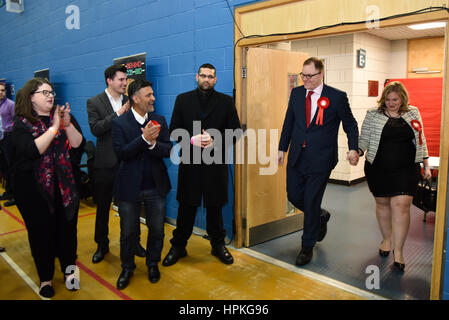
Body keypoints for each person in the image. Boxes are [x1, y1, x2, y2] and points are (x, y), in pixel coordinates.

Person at [278, 57, 359, 267]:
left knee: (312, 199)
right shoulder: (296, 94)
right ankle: (320, 216)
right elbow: (289, 122)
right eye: (303, 75)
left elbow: (350, 124)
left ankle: (307, 246)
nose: (305, 79)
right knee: (294, 195)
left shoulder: (336, 97)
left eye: (309, 76)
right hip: (297, 155)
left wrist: (353, 148)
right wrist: (281, 149)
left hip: (321, 159)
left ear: (321, 74)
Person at [163, 63, 241, 266]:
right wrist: (190, 140)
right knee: (187, 207)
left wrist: (215, 139)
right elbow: (173, 130)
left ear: (216, 80)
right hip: (190, 164)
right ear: (196, 77)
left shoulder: (226, 102)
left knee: (215, 208)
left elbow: (236, 131)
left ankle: (218, 245)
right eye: (203, 75)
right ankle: (178, 246)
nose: (207, 79)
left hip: (215, 164)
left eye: (211, 76)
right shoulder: (183, 100)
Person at [11, 78, 83, 298]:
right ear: (31, 97)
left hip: (65, 190)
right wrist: (54, 128)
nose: (51, 96)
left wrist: (67, 125)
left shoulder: (63, 118)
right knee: (41, 236)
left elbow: (78, 145)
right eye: (44, 92)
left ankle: (70, 273)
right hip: (35, 193)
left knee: (68, 234)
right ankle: (46, 279)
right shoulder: (22, 124)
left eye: (51, 92)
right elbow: (32, 151)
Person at [358, 81, 431, 273]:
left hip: (407, 169)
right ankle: (386, 239)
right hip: (378, 168)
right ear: (384, 99)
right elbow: (364, 138)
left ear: (402, 99)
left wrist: (427, 165)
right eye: (388, 100)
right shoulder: (373, 115)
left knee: (401, 206)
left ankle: (398, 251)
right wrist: (356, 152)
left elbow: (421, 140)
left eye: (395, 100)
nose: (391, 103)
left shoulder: (413, 113)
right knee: (383, 205)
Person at [112, 79, 172, 290]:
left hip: (156, 187)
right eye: (148, 95)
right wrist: (144, 139)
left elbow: (168, 149)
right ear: (135, 98)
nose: (153, 98)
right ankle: (127, 267)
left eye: (153, 94)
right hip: (129, 188)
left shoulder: (160, 120)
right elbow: (122, 153)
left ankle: (152, 263)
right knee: (129, 233)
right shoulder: (119, 123)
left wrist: (154, 143)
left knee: (157, 230)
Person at [87, 64, 145, 263]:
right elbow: (96, 129)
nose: (124, 83)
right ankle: (101, 245)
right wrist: (118, 114)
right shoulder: (94, 102)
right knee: (103, 208)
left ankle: (134, 242)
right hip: (105, 165)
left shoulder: (131, 100)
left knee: (132, 207)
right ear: (109, 81)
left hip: (128, 163)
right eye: (120, 79)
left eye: (125, 79)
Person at [0, 82, 15, 207]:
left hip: (8, 137)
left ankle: (16, 195)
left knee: (11, 167)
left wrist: (8, 128)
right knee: (3, 167)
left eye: (3, 90)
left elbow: (16, 122)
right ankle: (8, 192)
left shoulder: (10, 104)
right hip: (0, 138)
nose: (1, 92)